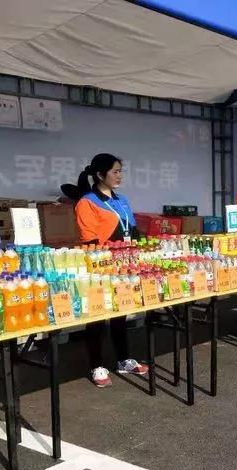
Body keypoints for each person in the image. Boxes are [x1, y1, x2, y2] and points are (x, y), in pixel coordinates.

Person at [73, 153, 149, 388]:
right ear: (99, 174)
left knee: (121, 312)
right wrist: (106, 261)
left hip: (125, 264)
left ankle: (123, 359)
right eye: (115, 172)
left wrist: (141, 249)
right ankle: (96, 365)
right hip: (100, 266)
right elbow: (89, 241)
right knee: (97, 316)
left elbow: (132, 230)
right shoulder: (86, 202)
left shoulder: (122, 200)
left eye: (120, 171)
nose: (119, 176)